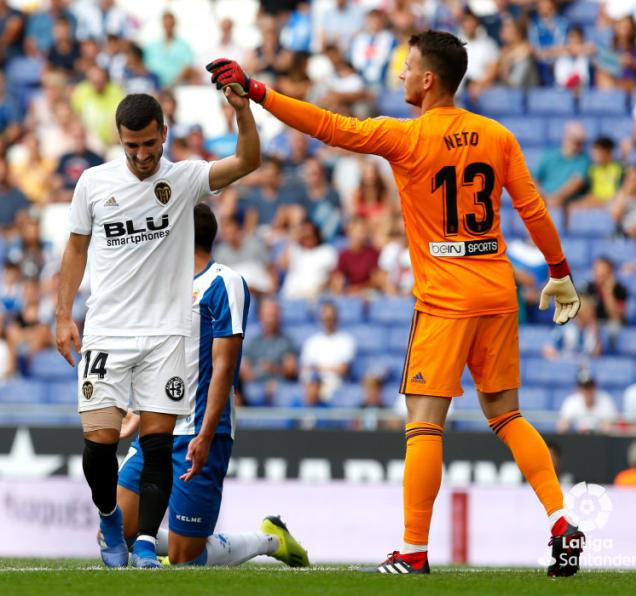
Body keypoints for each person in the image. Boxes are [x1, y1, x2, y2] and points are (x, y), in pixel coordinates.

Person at [206, 29, 584, 576]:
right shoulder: (497, 135)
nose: (400, 75)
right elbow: (532, 207)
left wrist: (259, 91)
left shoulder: (407, 138)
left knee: (424, 424)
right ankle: (559, 519)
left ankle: (412, 550)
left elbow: (330, 127)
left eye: (406, 67)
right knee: (507, 415)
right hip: (497, 291)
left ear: (429, 80)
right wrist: (560, 273)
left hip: (445, 299)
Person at [54, 89, 260, 568]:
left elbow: (249, 158)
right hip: (107, 332)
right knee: (98, 446)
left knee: (156, 445)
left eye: (150, 144)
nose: (143, 156)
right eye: (133, 147)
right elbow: (75, 249)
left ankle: (145, 542)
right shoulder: (92, 183)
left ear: (164, 134)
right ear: (119, 141)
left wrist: (242, 107)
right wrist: (63, 314)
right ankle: (109, 516)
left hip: (167, 334)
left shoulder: (184, 179)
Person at [117, 204, 308, 567]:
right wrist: (139, 411)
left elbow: (225, 366)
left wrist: (204, 435)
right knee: (115, 529)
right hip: (158, 426)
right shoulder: (162, 285)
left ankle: (270, 539)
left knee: (185, 557)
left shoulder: (224, 282)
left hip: (200, 428)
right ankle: (169, 537)